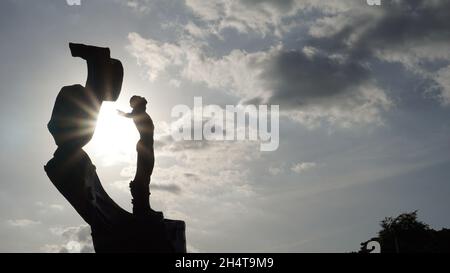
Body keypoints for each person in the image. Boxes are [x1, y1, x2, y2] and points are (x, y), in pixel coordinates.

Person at [118, 96, 155, 216]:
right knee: (143, 176)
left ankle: (144, 205)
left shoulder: (140, 112)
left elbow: (131, 114)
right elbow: (131, 114)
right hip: (144, 146)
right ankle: (142, 207)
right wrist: (123, 114)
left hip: (147, 146)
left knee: (146, 175)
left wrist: (124, 114)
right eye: (143, 104)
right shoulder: (138, 112)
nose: (145, 106)